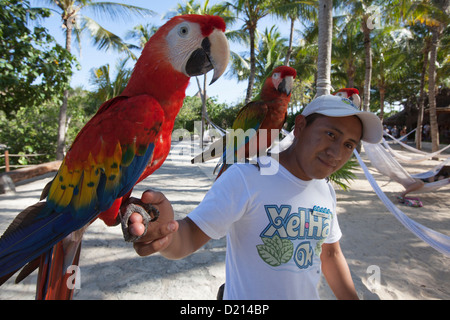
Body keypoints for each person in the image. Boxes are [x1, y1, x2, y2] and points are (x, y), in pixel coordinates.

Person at [127, 95, 383, 300]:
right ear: (301, 126)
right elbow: (190, 235)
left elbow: (330, 255)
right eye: (331, 134)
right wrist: (167, 234)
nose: (337, 152)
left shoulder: (325, 190)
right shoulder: (246, 177)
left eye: (349, 144)